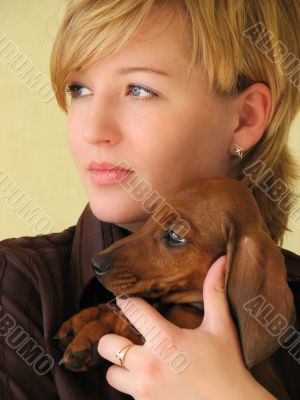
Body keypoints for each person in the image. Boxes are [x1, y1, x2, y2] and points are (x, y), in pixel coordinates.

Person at [1, 0, 300, 399]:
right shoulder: (17, 289)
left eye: (139, 89)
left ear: (244, 118)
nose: (93, 129)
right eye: (80, 89)